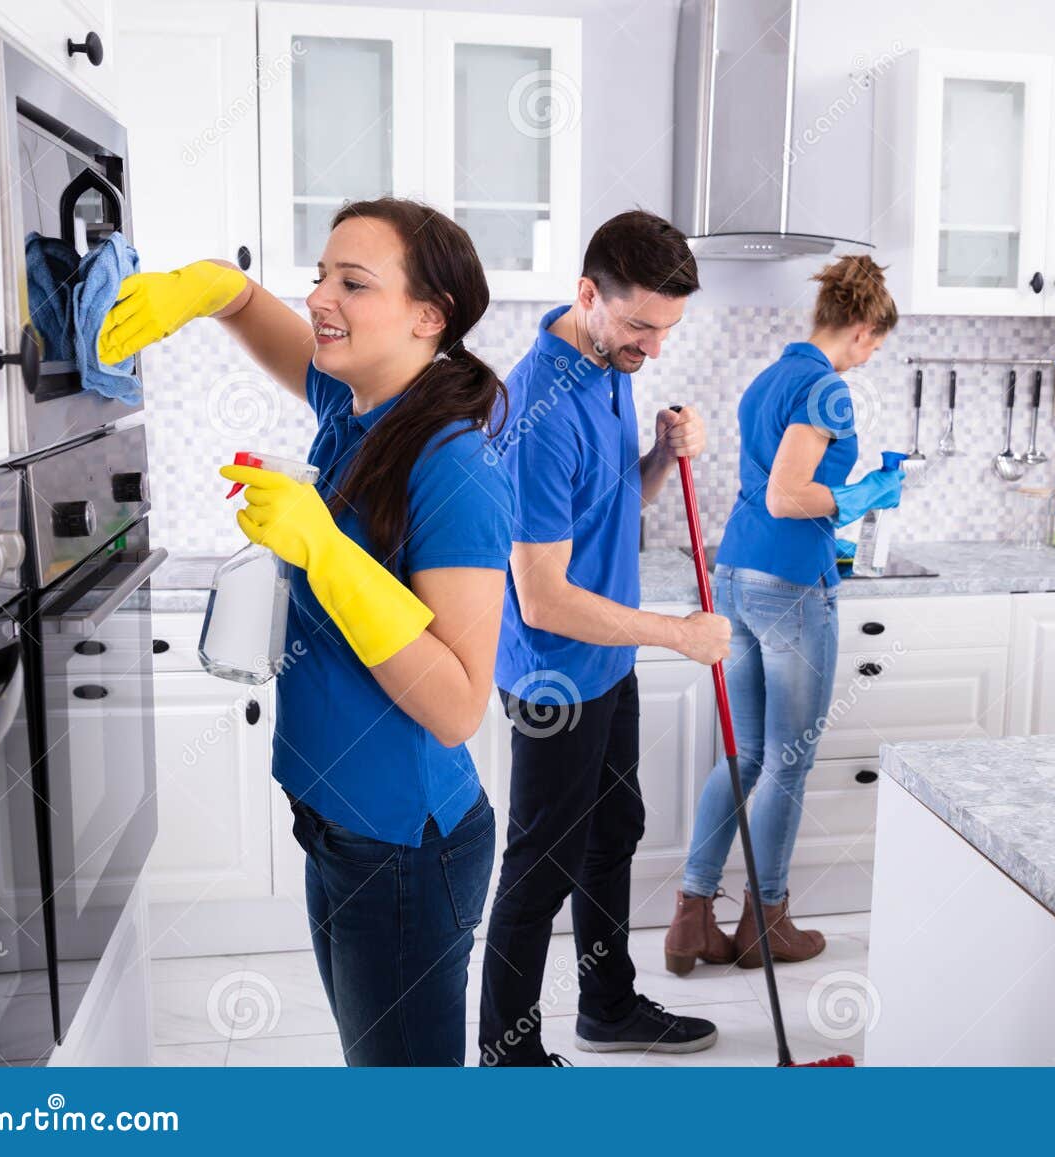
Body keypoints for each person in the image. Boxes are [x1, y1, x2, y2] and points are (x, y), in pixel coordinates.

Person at [98, 198, 513, 1065]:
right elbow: (252, 307)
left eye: (354, 283)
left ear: (428, 316)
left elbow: (458, 705)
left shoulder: (456, 466)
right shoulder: (356, 405)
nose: (321, 297)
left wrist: (324, 549)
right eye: (322, 275)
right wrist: (204, 287)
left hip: (403, 848)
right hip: (335, 826)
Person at [479, 210, 730, 1066]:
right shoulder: (536, 411)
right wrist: (679, 634)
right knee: (539, 866)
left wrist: (658, 455)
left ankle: (609, 1007)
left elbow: (615, 504)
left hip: (608, 660)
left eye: (667, 330)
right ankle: (507, 1059)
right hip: (555, 674)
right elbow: (542, 598)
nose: (652, 348)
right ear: (588, 294)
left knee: (613, 830)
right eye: (640, 327)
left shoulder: (606, 358)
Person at [666, 254, 903, 975]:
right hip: (791, 583)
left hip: (736, 573)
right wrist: (863, 494)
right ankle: (766, 922)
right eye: (874, 345)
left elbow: (768, 490)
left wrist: (840, 505)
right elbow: (786, 495)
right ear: (861, 330)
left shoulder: (770, 377)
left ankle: (691, 917)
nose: (869, 359)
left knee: (745, 756)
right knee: (786, 762)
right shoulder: (827, 388)